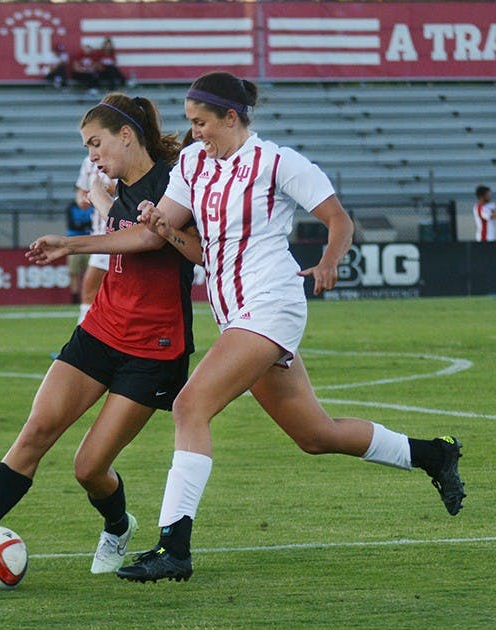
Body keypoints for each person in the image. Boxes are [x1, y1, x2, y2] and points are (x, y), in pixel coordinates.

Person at [28, 72, 466, 584]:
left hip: (272, 305)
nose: (193, 134)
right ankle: (435, 454)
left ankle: (174, 547)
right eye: (190, 123)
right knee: (315, 435)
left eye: (201, 123)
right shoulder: (192, 163)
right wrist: (150, 225)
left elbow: (339, 220)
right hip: (235, 314)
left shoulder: (276, 162)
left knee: (191, 404)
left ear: (231, 118)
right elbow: (168, 240)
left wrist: (328, 262)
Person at [0, 93, 198, 576]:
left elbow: (148, 236)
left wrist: (70, 243)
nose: (92, 156)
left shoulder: (174, 183)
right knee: (35, 432)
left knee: (88, 468)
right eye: (88, 148)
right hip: (99, 331)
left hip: (154, 348)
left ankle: (117, 526)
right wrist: (101, 194)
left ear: (127, 135)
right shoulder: (123, 185)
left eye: (96, 144)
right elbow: (120, 218)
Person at [74, 154, 116, 324]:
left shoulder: (123, 158)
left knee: (91, 287)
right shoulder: (88, 162)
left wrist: (104, 190)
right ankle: (84, 336)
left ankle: (82, 339)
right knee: (90, 289)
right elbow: (81, 191)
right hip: (100, 235)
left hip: (118, 233)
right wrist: (82, 199)